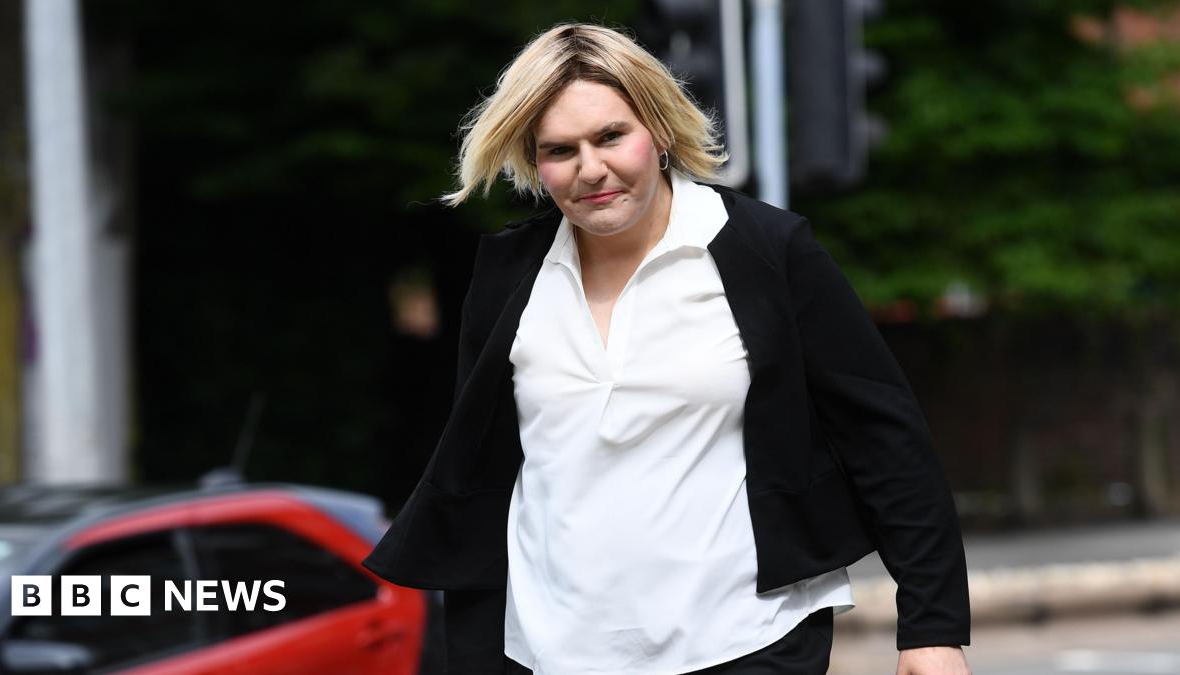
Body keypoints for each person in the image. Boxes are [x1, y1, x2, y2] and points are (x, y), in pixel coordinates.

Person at [363, 22, 972, 675]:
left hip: (749, 638)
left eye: (610, 136)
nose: (591, 168)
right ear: (533, 161)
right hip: (553, 652)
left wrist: (932, 627)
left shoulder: (764, 250)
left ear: (656, 129)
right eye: (560, 149)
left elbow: (885, 437)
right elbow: (485, 474)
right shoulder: (507, 276)